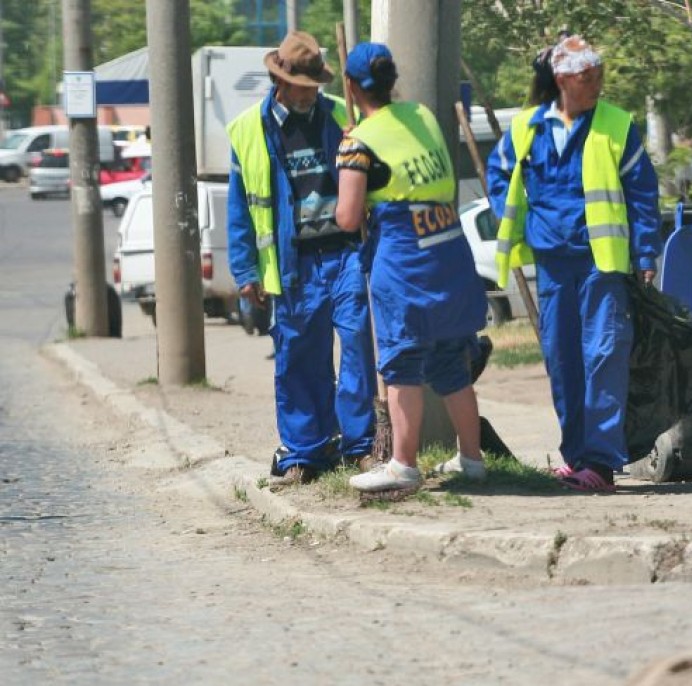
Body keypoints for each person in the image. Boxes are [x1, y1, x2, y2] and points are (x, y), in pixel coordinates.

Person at [485, 35, 661, 493]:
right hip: (552, 264)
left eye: (599, 76)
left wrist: (645, 253)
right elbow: (499, 172)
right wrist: (516, 216)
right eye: (588, 78)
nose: (597, 85)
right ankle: (577, 455)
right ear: (562, 80)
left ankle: (601, 463)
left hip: (601, 264)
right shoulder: (526, 127)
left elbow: (642, 194)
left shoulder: (617, 126)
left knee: (603, 355)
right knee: (562, 358)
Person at [334, 42, 488, 493]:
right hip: (448, 248)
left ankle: (403, 463)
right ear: (391, 80)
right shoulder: (421, 116)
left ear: (350, 86)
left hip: (404, 260)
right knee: (450, 362)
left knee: (401, 361)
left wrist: (350, 149)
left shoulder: (358, 143)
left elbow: (347, 216)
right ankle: (472, 460)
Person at [226, 31, 377, 484]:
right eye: (305, 86)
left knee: (356, 346)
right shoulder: (248, 131)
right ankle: (305, 451)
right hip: (293, 265)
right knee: (297, 357)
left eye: (316, 86)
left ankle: (360, 446)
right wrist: (244, 270)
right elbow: (240, 209)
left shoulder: (338, 117)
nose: (312, 94)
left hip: (346, 254)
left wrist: (362, 142)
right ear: (282, 82)